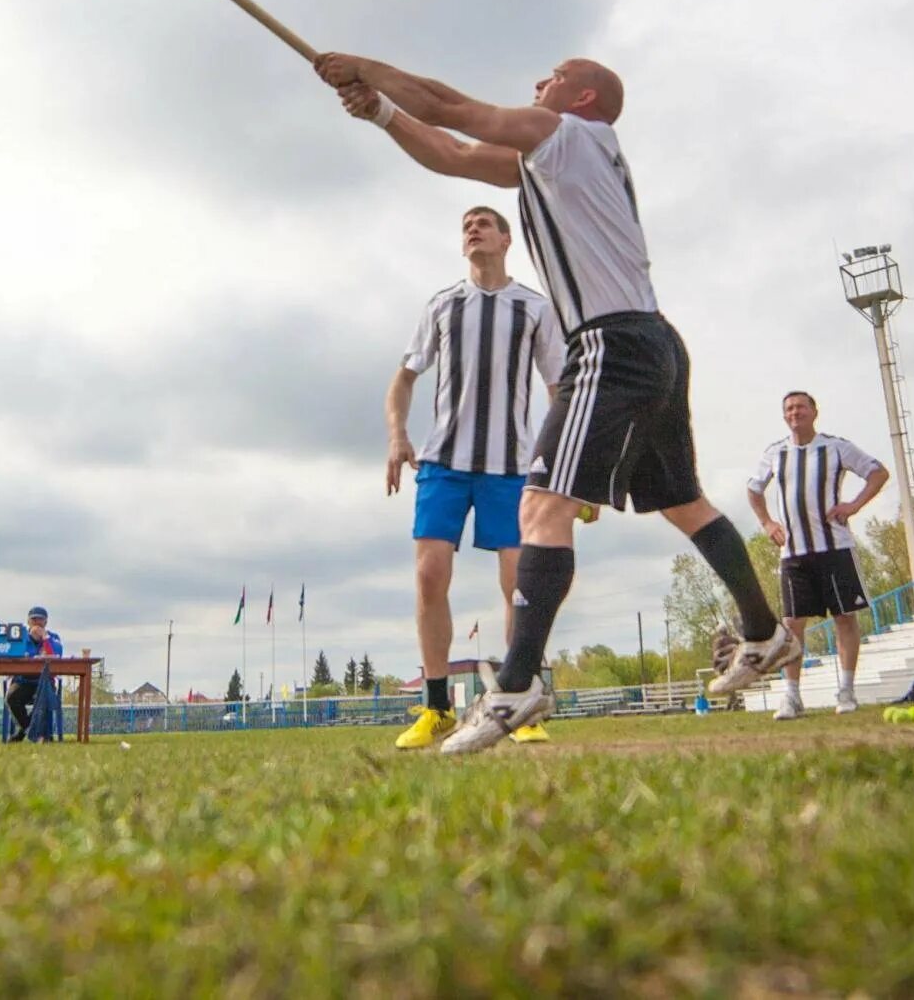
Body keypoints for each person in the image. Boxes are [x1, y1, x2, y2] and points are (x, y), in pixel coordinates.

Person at [314, 53, 798, 755]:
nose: (537, 81)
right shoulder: (550, 165)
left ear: (585, 95)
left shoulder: (566, 133)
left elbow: (450, 106)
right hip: (655, 339)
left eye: (552, 76)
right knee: (682, 500)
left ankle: (516, 684)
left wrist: (364, 67)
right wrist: (381, 112)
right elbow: (448, 152)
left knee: (541, 506)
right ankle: (764, 632)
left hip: (610, 343)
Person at [387, 206, 564, 749]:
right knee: (429, 574)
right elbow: (404, 376)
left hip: (510, 467)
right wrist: (398, 435)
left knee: (519, 584)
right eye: (465, 224)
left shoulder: (534, 308)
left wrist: (561, 464)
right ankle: (437, 707)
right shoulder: (444, 304)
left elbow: (560, 390)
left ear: (506, 239)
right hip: (443, 462)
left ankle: (517, 699)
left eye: (484, 223)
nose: (473, 229)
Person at [747, 391, 890, 719]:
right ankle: (792, 696)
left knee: (845, 618)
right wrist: (767, 522)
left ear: (814, 412)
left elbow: (877, 472)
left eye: (800, 407)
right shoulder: (775, 452)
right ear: (784, 416)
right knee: (792, 623)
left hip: (834, 547)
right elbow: (753, 489)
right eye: (788, 409)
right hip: (793, 553)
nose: (794, 412)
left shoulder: (835, 447)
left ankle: (847, 690)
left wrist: (853, 505)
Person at [5, 606, 66, 740]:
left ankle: (23, 732)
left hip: (44, 681)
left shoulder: (53, 637)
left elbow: (56, 655)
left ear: (46, 622)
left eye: (41, 620)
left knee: (45, 697)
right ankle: (29, 730)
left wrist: (45, 638)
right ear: (28, 622)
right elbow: (15, 655)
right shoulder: (20, 638)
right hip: (23, 680)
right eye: (34, 620)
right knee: (11, 697)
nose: (37, 623)